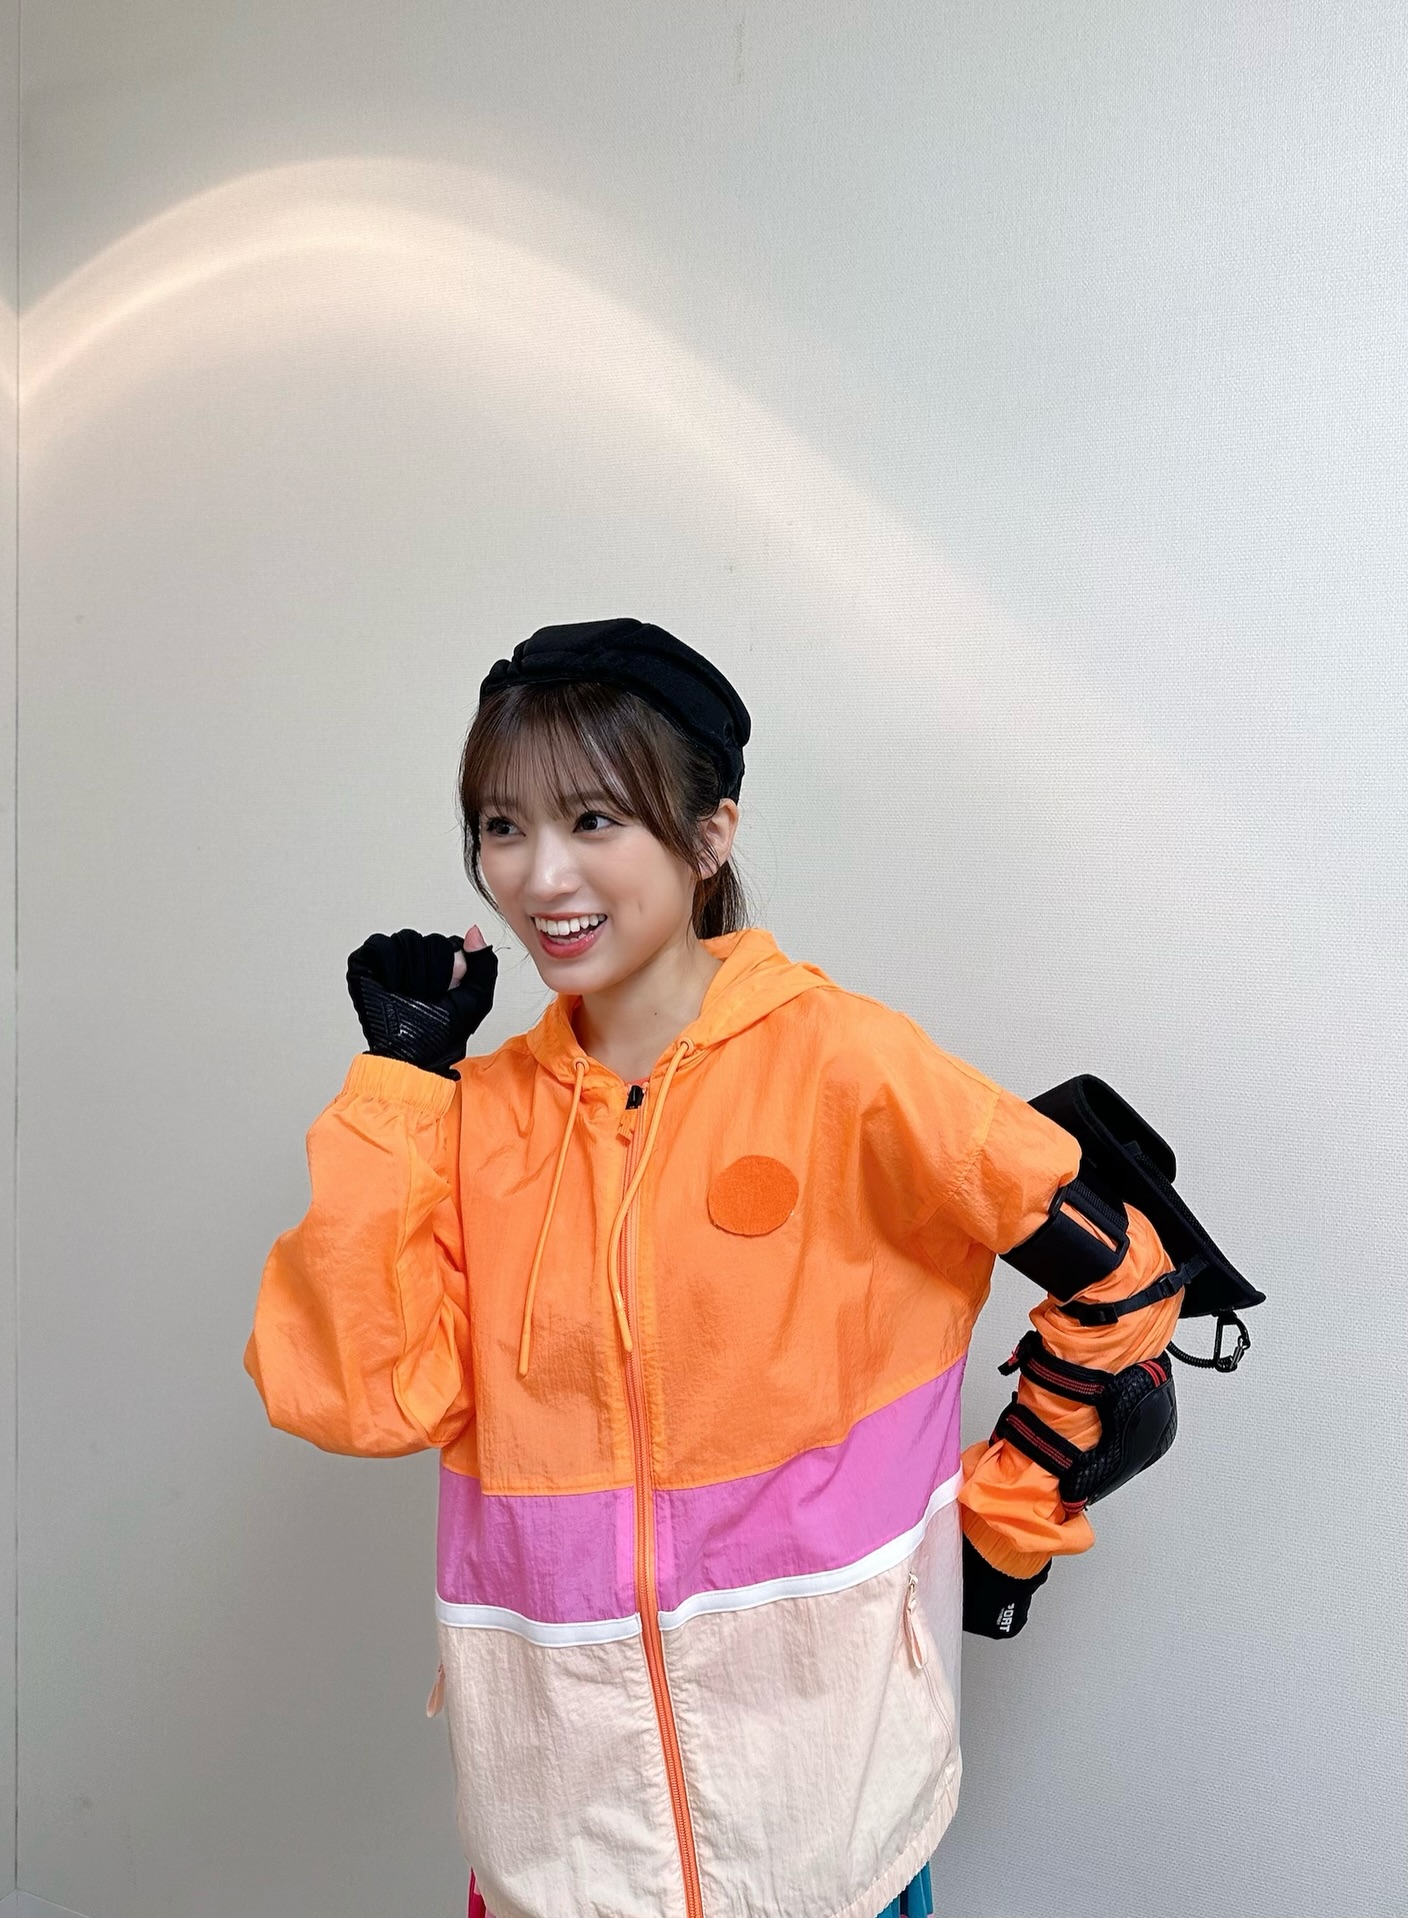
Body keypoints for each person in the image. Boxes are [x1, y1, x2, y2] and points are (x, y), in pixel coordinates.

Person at [244, 619, 1188, 1918]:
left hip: (831, 1830)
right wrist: (402, 1082)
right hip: (559, 1845)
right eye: (503, 826)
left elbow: (1126, 1278)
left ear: (709, 835)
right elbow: (357, 1396)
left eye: (592, 818)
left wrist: (1003, 1527)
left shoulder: (848, 1066)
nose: (541, 874)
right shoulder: (471, 1119)